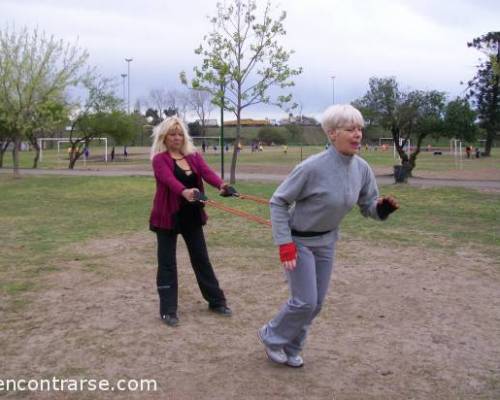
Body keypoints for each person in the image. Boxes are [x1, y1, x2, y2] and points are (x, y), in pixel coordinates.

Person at [258, 104, 399, 368]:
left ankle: (292, 346)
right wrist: (284, 243)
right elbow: (278, 202)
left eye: (360, 129)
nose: (357, 134)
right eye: (350, 129)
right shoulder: (311, 167)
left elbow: (368, 205)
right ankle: (270, 336)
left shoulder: (362, 169)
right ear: (332, 133)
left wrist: (382, 210)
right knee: (304, 301)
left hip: (327, 241)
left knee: (316, 304)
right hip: (299, 242)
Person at [149, 117, 233, 327]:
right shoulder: (159, 159)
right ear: (164, 137)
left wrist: (222, 185)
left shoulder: (193, 156)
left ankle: (216, 301)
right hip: (168, 216)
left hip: (192, 215)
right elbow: (168, 180)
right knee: (167, 264)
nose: (176, 138)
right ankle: (168, 310)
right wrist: (184, 191)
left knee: (201, 258)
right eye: (172, 134)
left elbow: (206, 173)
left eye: (179, 134)